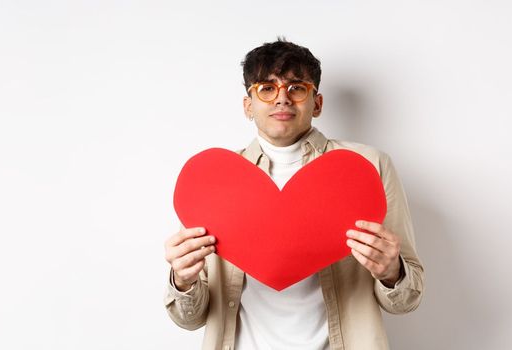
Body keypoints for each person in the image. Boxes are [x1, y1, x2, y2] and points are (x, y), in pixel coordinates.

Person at [163, 38, 424, 350]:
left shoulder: (368, 167)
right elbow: (189, 319)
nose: (282, 99)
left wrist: (392, 273)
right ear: (249, 105)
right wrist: (182, 280)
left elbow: (407, 300)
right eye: (267, 88)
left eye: (297, 88)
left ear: (317, 103)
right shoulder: (215, 180)